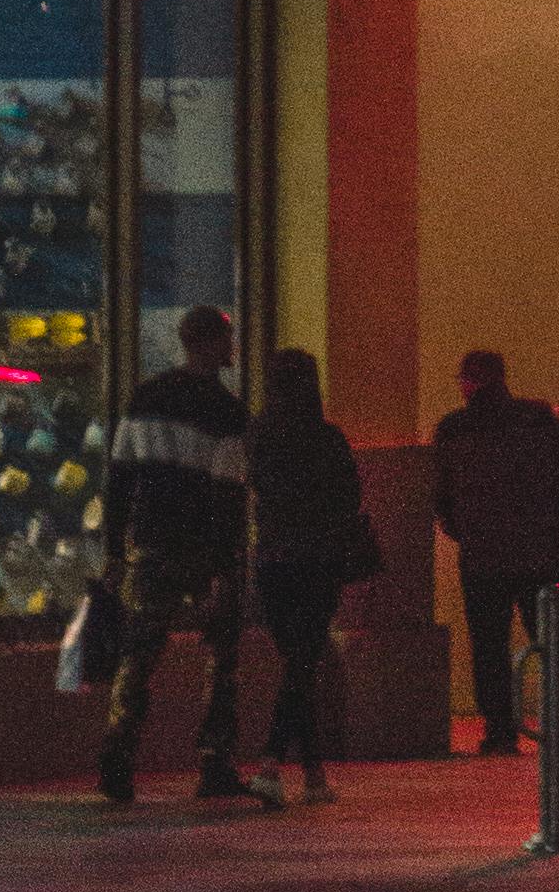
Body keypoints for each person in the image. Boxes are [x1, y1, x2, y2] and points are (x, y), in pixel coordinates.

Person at [97, 302, 266, 807]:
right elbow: (228, 495)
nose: (232, 350)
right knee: (221, 658)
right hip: (202, 550)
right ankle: (215, 761)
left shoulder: (146, 397)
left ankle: (118, 759)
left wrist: (115, 549)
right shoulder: (227, 412)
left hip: (151, 544)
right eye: (227, 341)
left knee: (139, 655)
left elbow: (120, 477)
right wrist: (227, 561)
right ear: (211, 345)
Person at [428, 345, 559, 755]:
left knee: (489, 646)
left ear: (467, 383)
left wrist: (463, 529)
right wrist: (556, 525)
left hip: (483, 557)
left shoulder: (454, 430)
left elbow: (440, 492)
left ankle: (500, 731)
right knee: (555, 638)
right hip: (542, 552)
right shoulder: (543, 422)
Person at [248, 346, 367, 802]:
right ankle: (272, 763)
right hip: (318, 561)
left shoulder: (259, 435)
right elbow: (349, 498)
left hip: (273, 560)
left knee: (297, 665)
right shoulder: (327, 439)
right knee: (303, 664)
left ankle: (313, 773)